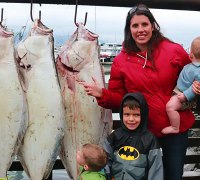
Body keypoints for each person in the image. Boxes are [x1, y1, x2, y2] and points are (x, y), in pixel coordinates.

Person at [79, 4, 199, 180]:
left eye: (144, 24)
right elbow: (119, 100)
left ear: (153, 26)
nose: (140, 30)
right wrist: (102, 94)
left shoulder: (174, 50)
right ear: (129, 29)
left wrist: (196, 90)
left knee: (174, 175)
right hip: (142, 134)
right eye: (135, 26)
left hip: (175, 131)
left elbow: (193, 73)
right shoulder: (120, 60)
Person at [103, 92, 163, 180]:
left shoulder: (149, 140)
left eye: (136, 115)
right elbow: (105, 162)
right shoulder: (115, 136)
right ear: (121, 114)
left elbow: (156, 170)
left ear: (143, 115)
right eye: (127, 114)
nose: (131, 119)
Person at [164, 36, 200, 134]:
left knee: (170, 107)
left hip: (184, 96)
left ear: (191, 55)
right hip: (180, 91)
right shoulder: (192, 66)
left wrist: (185, 96)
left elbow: (197, 88)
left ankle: (175, 127)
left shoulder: (197, 71)